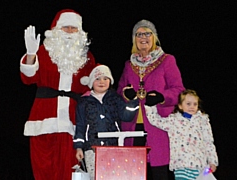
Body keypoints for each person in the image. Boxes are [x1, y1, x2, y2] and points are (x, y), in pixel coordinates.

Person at [20, 9, 96, 180]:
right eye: (65, 27)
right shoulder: (43, 52)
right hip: (43, 120)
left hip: (73, 122)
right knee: (43, 168)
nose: (69, 32)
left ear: (80, 32)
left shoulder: (88, 58)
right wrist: (31, 55)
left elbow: (95, 88)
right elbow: (28, 78)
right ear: (56, 30)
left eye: (73, 28)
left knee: (71, 170)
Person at [117, 19, 185, 179]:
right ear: (134, 39)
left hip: (158, 124)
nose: (143, 37)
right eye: (139, 34)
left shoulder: (167, 60)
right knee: (134, 173)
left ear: (154, 37)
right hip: (133, 126)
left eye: (147, 33)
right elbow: (120, 90)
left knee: (159, 171)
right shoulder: (129, 64)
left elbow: (179, 90)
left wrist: (162, 97)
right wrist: (126, 94)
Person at [73, 65, 139, 180]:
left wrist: (133, 101)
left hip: (114, 147)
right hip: (92, 149)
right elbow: (80, 125)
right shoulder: (84, 102)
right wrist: (79, 147)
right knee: (96, 177)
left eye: (105, 78)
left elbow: (126, 116)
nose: (101, 82)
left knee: (114, 176)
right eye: (97, 79)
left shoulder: (116, 98)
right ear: (91, 82)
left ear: (110, 81)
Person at [145, 89, 218, 179]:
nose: (192, 106)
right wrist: (150, 105)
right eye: (188, 104)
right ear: (180, 105)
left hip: (200, 166)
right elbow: (156, 120)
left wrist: (212, 161)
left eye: (195, 104)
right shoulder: (174, 121)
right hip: (181, 166)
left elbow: (209, 142)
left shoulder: (203, 121)